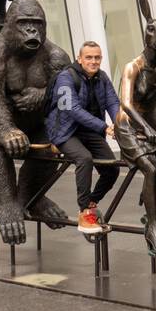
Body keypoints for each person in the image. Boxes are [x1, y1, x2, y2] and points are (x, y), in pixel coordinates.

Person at [46, 41, 122, 234]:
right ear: (79, 59)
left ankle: (91, 202)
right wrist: (105, 127)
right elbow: (72, 109)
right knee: (84, 158)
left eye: (97, 57)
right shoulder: (65, 78)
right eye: (89, 57)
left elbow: (113, 102)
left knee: (111, 168)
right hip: (65, 132)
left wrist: (120, 124)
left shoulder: (102, 77)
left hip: (90, 132)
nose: (93, 61)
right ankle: (84, 212)